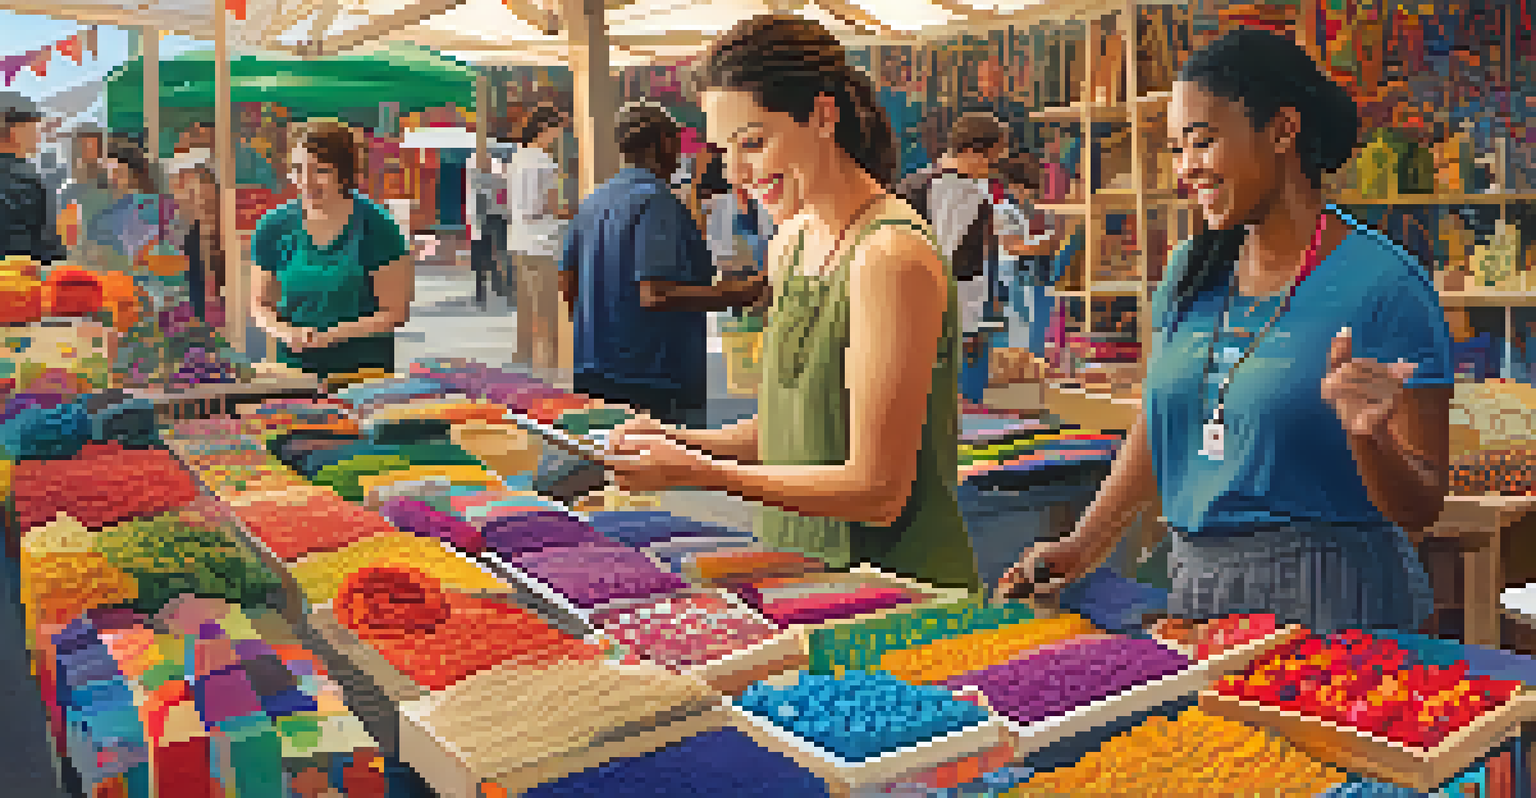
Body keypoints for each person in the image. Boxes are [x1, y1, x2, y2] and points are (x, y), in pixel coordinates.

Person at [1000, 28, 1453, 636]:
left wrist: (1371, 440)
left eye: (1203, 142)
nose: (1187, 171)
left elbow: (1423, 506)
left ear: (1284, 129)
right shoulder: (1191, 269)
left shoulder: (1386, 287)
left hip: (1335, 603)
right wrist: (1082, 545)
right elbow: (1160, 425)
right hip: (1197, 595)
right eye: (1178, 150)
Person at [605, 15, 980, 591]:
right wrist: (676, 440)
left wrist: (699, 473)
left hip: (900, 597)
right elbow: (792, 428)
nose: (737, 173)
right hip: (799, 578)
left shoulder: (888, 256)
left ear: (824, 115)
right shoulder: (792, 241)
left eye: (753, 142)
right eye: (725, 149)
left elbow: (878, 491)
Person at [558, 102, 765, 426]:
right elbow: (655, 293)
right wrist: (741, 294)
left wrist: (598, 331)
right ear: (664, 144)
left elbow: (567, 283)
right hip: (653, 377)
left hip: (593, 367)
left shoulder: (593, 200)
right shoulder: (656, 202)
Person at [250, 121, 412, 377]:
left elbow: (395, 312)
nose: (307, 181)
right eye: (298, 169)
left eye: (320, 170)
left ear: (344, 173)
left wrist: (330, 336)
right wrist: (285, 332)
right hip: (292, 374)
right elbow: (260, 304)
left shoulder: (378, 227)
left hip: (362, 377)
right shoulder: (272, 227)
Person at [897, 113, 1011, 405]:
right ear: (972, 152)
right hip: (946, 314)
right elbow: (946, 261)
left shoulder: (914, 183)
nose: (993, 166)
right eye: (992, 158)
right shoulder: (965, 192)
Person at [506, 104, 570, 373]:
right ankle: (551, 361)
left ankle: (524, 357)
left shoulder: (517, 158)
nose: (557, 137)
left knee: (526, 306)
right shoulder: (545, 164)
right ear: (544, 130)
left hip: (519, 240)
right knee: (547, 308)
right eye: (556, 131)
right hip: (543, 242)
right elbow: (548, 206)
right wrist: (567, 212)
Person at [993, 153, 1070, 356]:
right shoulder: (1004, 210)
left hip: (1038, 278)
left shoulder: (1037, 208)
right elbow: (1013, 245)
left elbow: (1057, 238)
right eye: (1028, 186)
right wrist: (1047, 243)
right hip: (1016, 279)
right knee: (1020, 340)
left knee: (1036, 338)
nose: (1032, 192)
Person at [0, 91, 66, 265]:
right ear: (15, 131)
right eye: (36, 127)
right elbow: (47, 249)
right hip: (18, 281)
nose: (40, 135)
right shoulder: (26, 182)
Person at [167, 154, 225, 325]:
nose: (204, 208)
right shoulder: (192, 238)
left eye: (209, 202)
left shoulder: (231, 239)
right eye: (199, 201)